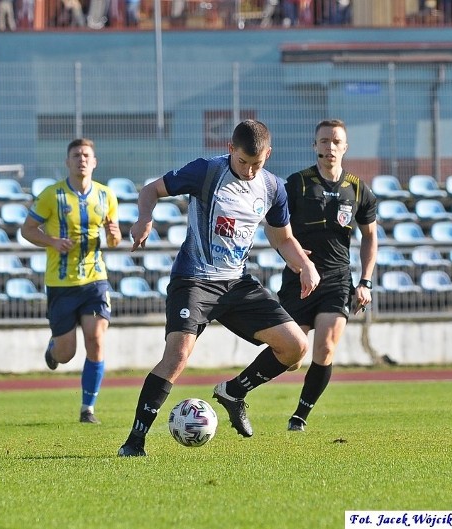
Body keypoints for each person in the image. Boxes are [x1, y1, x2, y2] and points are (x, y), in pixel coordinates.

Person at [117, 120, 320, 457]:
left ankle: (233, 392)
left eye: (258, 163)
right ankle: (135, 441)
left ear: (268, 154)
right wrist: (144, 219)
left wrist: (305, 265)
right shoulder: (206, 171)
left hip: (236, 283)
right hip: (194, 280)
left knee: (295, 349)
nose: (250, 170)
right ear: (230, 150)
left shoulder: (273, 187)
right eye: (243, 162)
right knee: (177, 357)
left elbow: (283, 238)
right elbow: (150, 190)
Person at [280, 119, 377, 432]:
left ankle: (300, 416)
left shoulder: (359, 189)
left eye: (336, 142)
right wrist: (291, 257)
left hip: (337, 281)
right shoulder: (297, 184)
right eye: (324, 141)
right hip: (298, 280)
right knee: (292, 356)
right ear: (315, 146)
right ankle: (239, 391)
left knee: (325, 347)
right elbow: (276, 229)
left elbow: (370, 237)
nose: (329, 147)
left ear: (345, 147)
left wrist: (365, 281)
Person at [20, 138, 122, 424]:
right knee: (66, 354)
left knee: (96, 338)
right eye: (76, 155)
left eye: (87, 155)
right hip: (61, 284)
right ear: (67, 162)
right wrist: (52, 241)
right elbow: (27, 229)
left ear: (95, 161)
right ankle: (54, 349)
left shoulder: (106, 195)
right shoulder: (52, 195)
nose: (82, 159)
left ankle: (87, 408)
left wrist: (114, 235)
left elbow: (114, 241)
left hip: (94, 280)